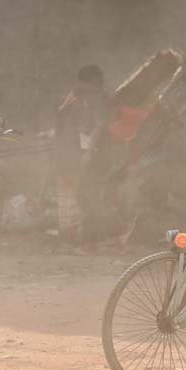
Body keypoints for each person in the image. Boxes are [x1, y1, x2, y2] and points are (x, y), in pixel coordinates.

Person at [54, 64, 109, 247]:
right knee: (69, 194)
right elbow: (91, 126)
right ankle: (72, 236)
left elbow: (95, 126)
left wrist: (88, 152)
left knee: (73, 194)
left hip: (75, 151)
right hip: (70, 151)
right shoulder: (78, 98)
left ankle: (75, 236)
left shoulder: (89, 98)